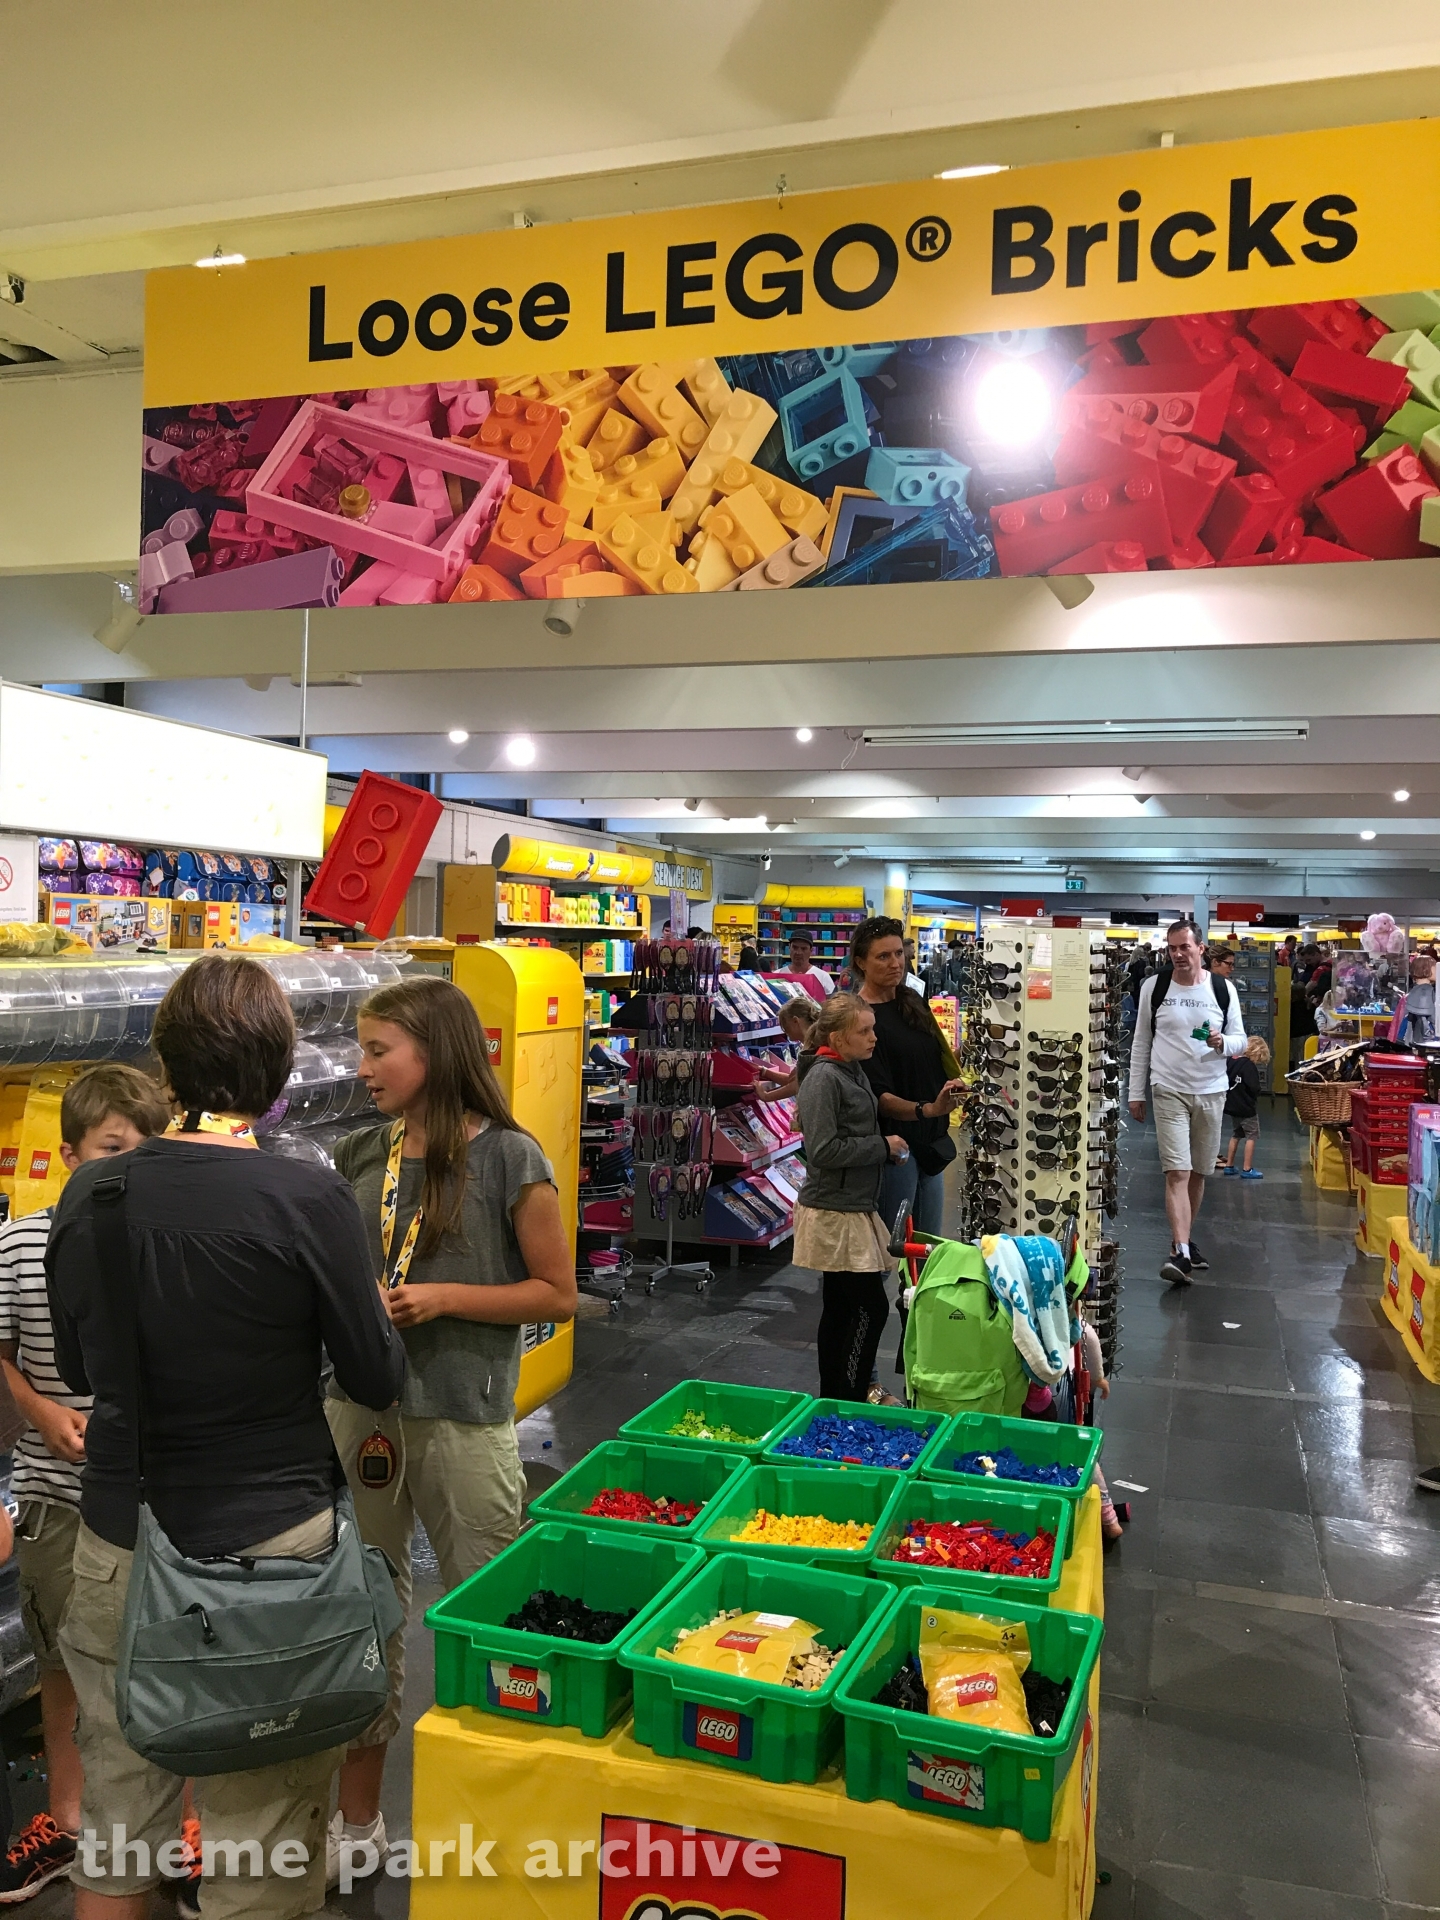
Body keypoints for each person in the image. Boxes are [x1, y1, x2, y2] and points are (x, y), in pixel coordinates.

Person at [45, 953, 405, 1920]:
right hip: (275, 1551)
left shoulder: (93, 1195)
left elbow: (79, 1371)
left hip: (123, 1539)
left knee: (118, 1828)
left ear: (164, 1067)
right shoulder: (307, 1200)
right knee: (267, 1838)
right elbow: (375, 1378)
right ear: (280, 1072)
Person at [327, 976, 577, 1882]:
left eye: (377, 1050)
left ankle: (499, 1816)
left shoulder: (511, 1157)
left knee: (488, 1612)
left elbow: (557, 1293)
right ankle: (357, 1824)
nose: (362, 1069)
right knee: (363, 1613)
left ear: (433, 1052)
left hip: (465, 1418)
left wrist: (444, 1298)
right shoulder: (362, 1152)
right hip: (361, 1412)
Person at [0, 1064, 171, 1905]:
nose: (127, 1165)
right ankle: (67, 1821)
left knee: (167, 1662)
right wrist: (40, 1411)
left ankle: (175, 1827)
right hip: (55, 1496)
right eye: (110, 1148)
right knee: (63, 1665)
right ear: (68, 1154)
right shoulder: (19, 1245)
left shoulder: (171, 1239)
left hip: (157, 1498)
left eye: (144, 1148)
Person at [793, 993, 909, 1400]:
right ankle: (853, 1394)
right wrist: (882, 1146)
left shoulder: (850, 1070)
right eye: (864, 1030)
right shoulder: (824, 1078)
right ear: (839, 1038)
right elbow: (822, 1150)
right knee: (869, 1308)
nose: (873, 1037)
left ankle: (835, 1398)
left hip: (851, 1204)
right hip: (834, 1209)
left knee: (841, 1308)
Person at [1127, 919, 1247, 1287]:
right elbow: (1142, 1041)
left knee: (1198, 1172)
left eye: (1184, 947)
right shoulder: (1154, 986)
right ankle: (1179, 1250)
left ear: (1200, 949)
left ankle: (1184, 1241)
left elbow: (1241, 1040)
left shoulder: (1222, 989)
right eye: (1172, 947)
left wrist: (1222, 1043)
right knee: (1177, 1171)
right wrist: (1135, 1092)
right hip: (1168, 1088)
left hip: (1211, 1090)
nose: (1178, 954)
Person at [849, 916, 964, 1238]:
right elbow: (879, 1097)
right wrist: (927, 1109)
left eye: (899, 953)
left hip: (931, 1141)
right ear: (861, 962)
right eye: (883, 956)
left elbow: (933, 1061)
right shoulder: (859, 1016)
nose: (895, 963)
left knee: (930, 1247)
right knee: (893, 1246)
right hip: (895, 1147)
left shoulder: (912, 1000)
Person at [1220, 1035, 1271, 1178]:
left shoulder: (1231, 1060)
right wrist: (1257, 1094)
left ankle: (1229, 1165)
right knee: (1252, 1135)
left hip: (1232, 1105)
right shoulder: (1248, 1066)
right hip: (1246, 1108)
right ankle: (1247, 1168)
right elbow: (1254, 1087)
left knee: (1236, 1134)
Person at [755, 995, 820, 1101]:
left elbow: (797, 1085)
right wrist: (764, 1071)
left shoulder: (814, 1047)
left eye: (785, 1025)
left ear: (795, 1021)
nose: (784, 1031)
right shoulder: (812, 1043)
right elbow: (792, 1080)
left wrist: (766, 1096)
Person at [781, 931, 834, 995]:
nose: (798, 952)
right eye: (795, 947)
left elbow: (832, 1000)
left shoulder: (823, 977)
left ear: (811, 950)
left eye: (803, 949)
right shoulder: (777, 975)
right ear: (789, 947)